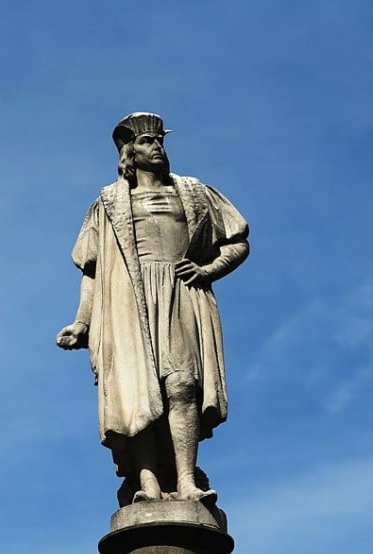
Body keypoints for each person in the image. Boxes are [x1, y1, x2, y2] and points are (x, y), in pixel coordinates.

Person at [57, 112, 249, 506]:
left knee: (182, 385)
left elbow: (237, 240)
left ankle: (186, 478)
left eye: (160, 141)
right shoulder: (108, 203)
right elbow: (92, 270)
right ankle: (147, 482)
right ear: (130, 152)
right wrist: (82, 322)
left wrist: (208, 269)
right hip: (126, 302)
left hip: (180, 294)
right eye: (147, 142)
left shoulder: (194, 192)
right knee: (135, 392)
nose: (157, 147)